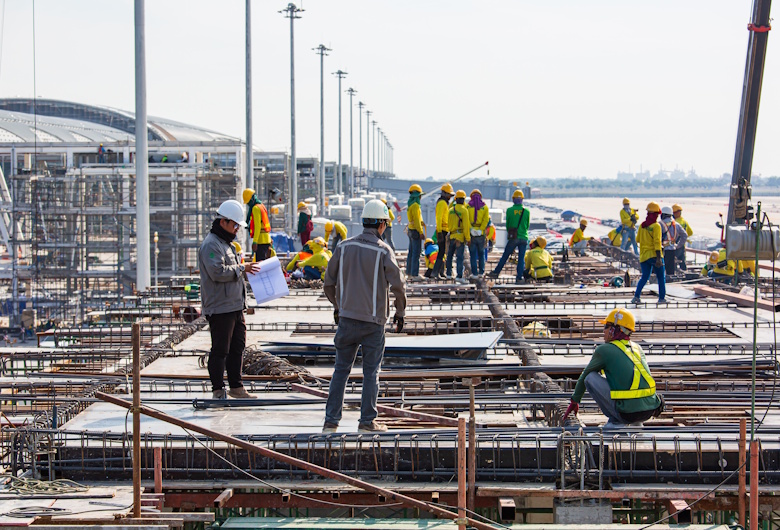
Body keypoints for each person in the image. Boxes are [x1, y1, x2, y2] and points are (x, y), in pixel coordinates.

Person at [322, 199, 407, 433]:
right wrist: (400, 313)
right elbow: (398, 285)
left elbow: (328, 283)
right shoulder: (383, 250)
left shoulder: (343, 247)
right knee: (371, 373)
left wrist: (339, 306)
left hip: (347, 321)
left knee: (341, 370)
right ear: (381, 224)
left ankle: (331, 422)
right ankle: (367, 422)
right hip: (373, 323)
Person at [199, 199, 261, 400]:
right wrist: (242, 268)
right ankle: (218, 390)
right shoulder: (211, 245)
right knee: (220, 350)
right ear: (223, 222)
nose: (236, 229)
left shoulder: (227, 245)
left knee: (237, 347)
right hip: (220, 307)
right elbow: (217, 272)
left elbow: (231, 271)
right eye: (234, 225)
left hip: (235, 306)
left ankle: (236, 386)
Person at [563, 308, 664, 428]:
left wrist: (575, 401)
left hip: (625, 414)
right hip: (649, 411)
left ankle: (615, 422)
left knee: (590, 378)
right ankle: (636, 424)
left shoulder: (604, 350)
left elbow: (584, 376)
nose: (603, 331)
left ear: (614, 329)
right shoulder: (637, 348)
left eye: (606, 327)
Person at [488, 189, 530, 281]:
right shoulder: (527, 211)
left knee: (505, 255)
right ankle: (519, 277)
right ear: (522, 199)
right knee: (521, 258)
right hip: (524, 237)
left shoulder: (510, 210)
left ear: (513, 199)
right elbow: (527, 225)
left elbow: (508, 225)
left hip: (514, 237)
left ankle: (496, 272)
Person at [631, 202, 666, 304]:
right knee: (660, 277)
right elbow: (657, 242)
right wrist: (659, 258)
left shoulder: (642, 226)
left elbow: (637, 239)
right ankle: (661, 298)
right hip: (655, 256)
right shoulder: (656, 226)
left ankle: (636, 297)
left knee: (644, 277)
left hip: (643, 256)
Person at [446, 190, 471, 284]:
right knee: (459, 257)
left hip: (452, 235)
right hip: (460, 237)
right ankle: (459, 276)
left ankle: (448, 274)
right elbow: (466, 226)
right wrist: (468, 239)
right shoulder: (464, 210)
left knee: (450, 256)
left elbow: (448, 223)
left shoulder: (451, 210)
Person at [243, 188, 272, 262]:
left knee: (260, 265)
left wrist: (255, 242)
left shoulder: (255, 208)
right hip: (266, 239)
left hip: (261, 241)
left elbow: (257, 226)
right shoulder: (261, 205)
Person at [431, 183, 454, 278]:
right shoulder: (441, 203)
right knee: (441, 252)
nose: (449, 197)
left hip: (445, 230)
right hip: (442, 230)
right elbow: (439, 218)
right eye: (448, 194)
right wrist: (439, 231)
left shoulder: (445, 203)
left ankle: (440, 272)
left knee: (443, 252)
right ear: (444, 194)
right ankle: (435, 272)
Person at [467, 189, 489, 279]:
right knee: (481, 254)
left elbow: (466, 220)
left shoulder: (467, 207)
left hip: (471, 234)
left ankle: (474, 273)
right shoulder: (485, 207)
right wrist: (480, 229)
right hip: (481, 234)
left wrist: (471, 229)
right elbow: (486, 220)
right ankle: (481, 272)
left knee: (472, 254)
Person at [660, 206, 687, 276]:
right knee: (671, 271)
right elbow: (685, 235)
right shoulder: (676, 224)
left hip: (662, 250)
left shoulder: (660, 224)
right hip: (672, 249)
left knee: (660, 270)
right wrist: (678, 245)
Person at [406, 184, 425, 277]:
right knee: (416, 253)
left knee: (411, 252)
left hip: (410, 230)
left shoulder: (410, 205)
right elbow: (417, 221)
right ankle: (414, 274)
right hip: (415, 231)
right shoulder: (416, 206)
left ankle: (409, 272)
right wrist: (421, 232)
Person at [672, 205, 693, 271]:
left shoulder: (675, 223)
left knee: (673, 262)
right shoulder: (684, 222)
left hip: (675, 245)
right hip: (682, 245)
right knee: (682, 262)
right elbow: (690, 232)